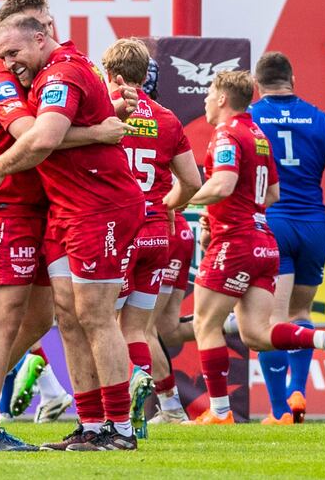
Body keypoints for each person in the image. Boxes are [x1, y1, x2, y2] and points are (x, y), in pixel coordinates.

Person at [0, 0, 135, 451]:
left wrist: (104, 118)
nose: (8, 62)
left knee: (54, 317)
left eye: (13, 53)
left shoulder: (60, 71)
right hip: (9, 214)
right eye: (2, 55)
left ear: (43, 31)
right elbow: (36, 137)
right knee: (8, 321)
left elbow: (45, 133)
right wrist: (101, 128)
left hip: (61, 210)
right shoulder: (4, 82)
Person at [184, 70, 325, 425]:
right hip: (265, 240)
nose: (205, 100)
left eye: (208, 94)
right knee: (257, 334)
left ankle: (220, 413)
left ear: (222, 99)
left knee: (206, 323)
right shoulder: (259, 136)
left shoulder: (226, 134)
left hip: (236, 240)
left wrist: (176, 203)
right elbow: (272, 195)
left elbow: (222, 184)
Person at [250, 52, 325, 424]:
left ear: (257, 84)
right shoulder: (321, 119)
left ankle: (278, 411)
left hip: (271, 224)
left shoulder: (250, 118)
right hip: (312, 226)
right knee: (301, 312)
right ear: (293, 80)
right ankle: (298, 390)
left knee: (271, 321)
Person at [101, 40, 200, 438]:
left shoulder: (105, 114)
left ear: (113, 76)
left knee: (102, 324)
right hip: (159, 232)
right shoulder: (168, 119)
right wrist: (167, 204)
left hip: (118, 232)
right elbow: (192, 182)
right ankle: (141, 390)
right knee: (137, 329)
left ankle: (109, 415)